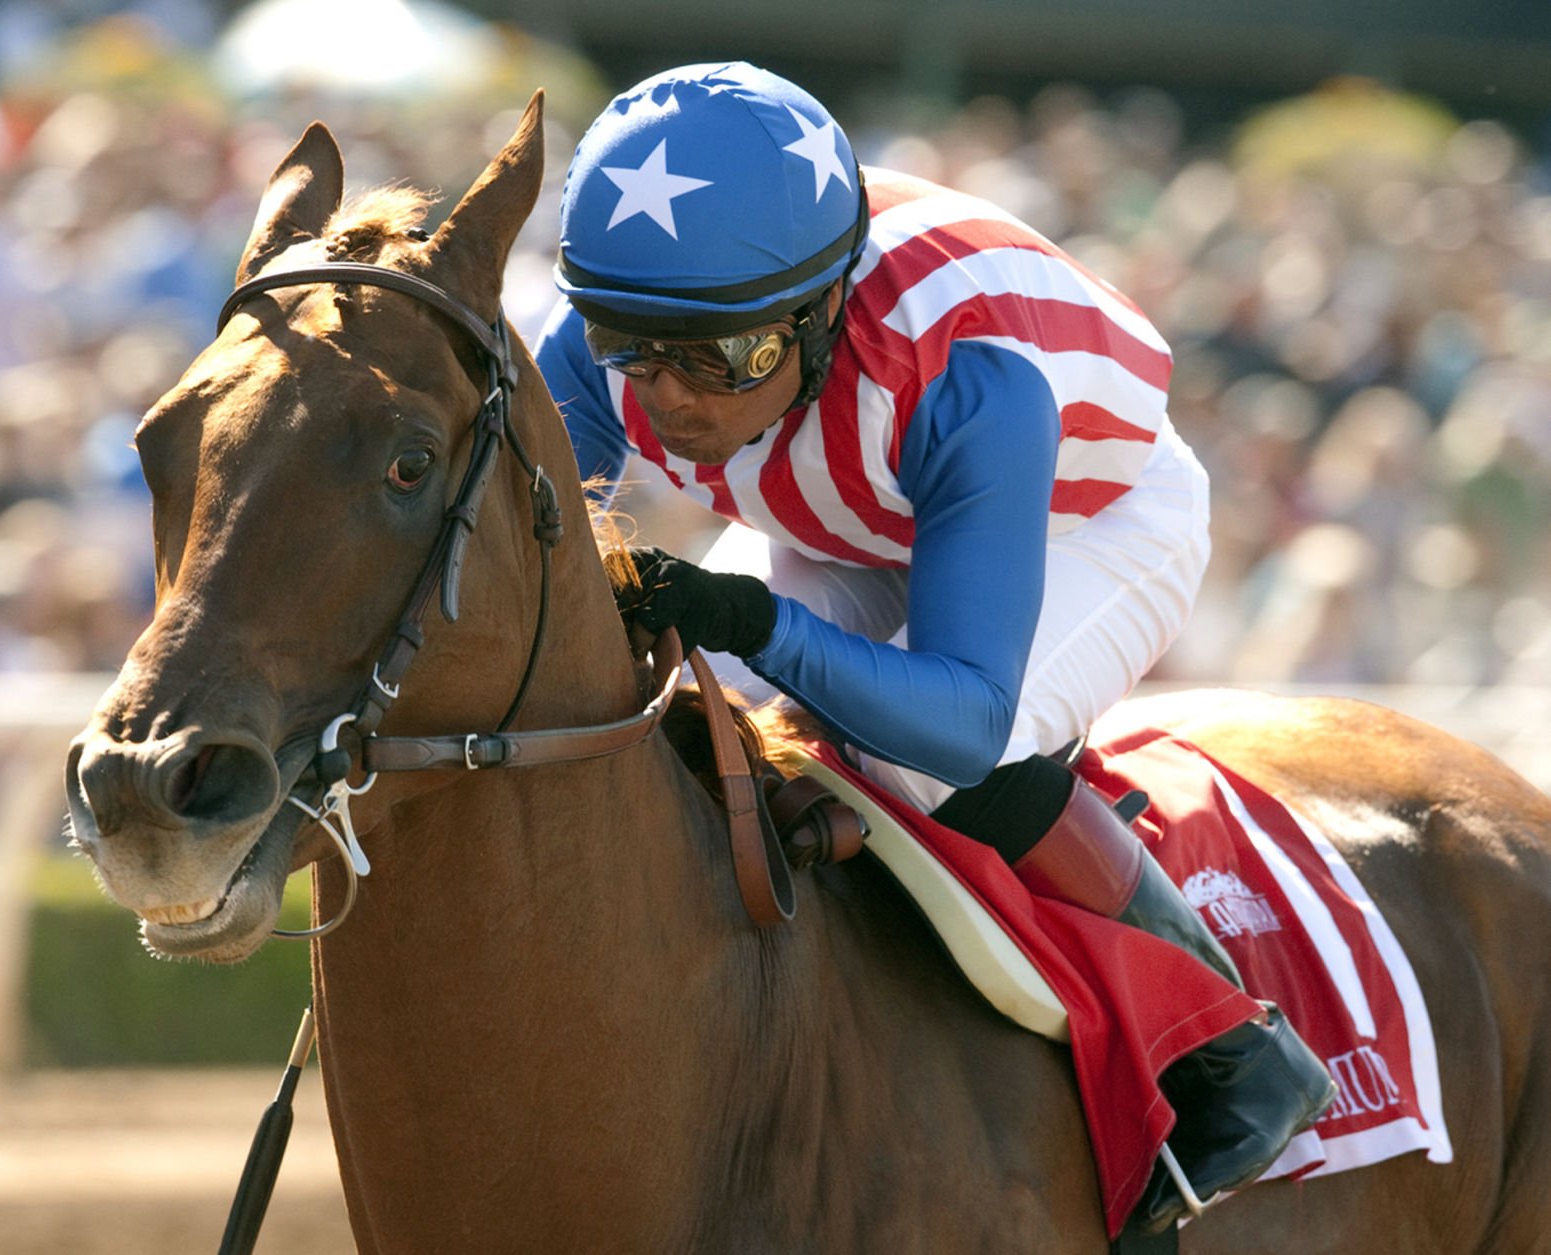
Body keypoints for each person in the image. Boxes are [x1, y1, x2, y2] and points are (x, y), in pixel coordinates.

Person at [533, 61, 1335, 1232]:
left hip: (1086, 513)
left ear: (817, 311)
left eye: (721, 358)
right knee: (687, 724)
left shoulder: (966, 369)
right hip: (844, 503)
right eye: (630, 344)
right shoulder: (614, 336)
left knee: (906, 755)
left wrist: (755, 621)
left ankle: (1228, 1047)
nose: (668, 396)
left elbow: (958, 715)